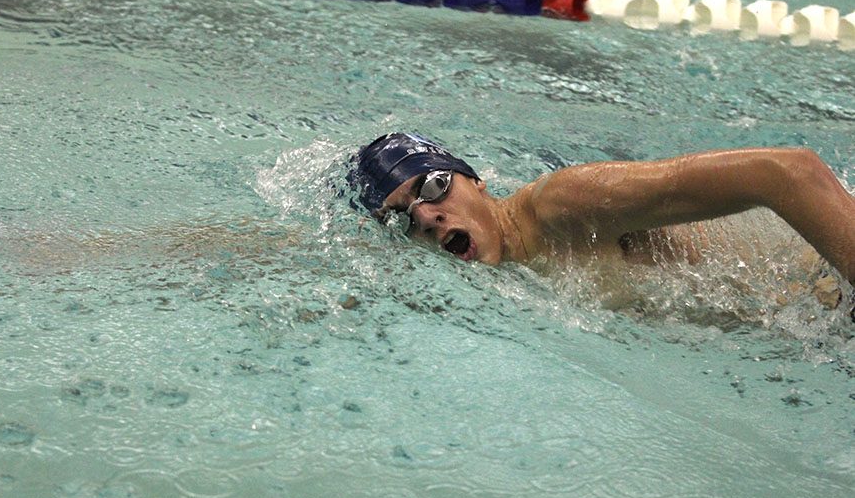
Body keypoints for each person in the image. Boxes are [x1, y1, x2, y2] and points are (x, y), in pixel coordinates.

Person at [347, 132, 855, 315]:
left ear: (476, 181)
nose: (429, 217)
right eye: (402, 220)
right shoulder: (498, 271)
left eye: (434, 188)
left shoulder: (567, 204)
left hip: (826, 285)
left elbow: (787, 172)